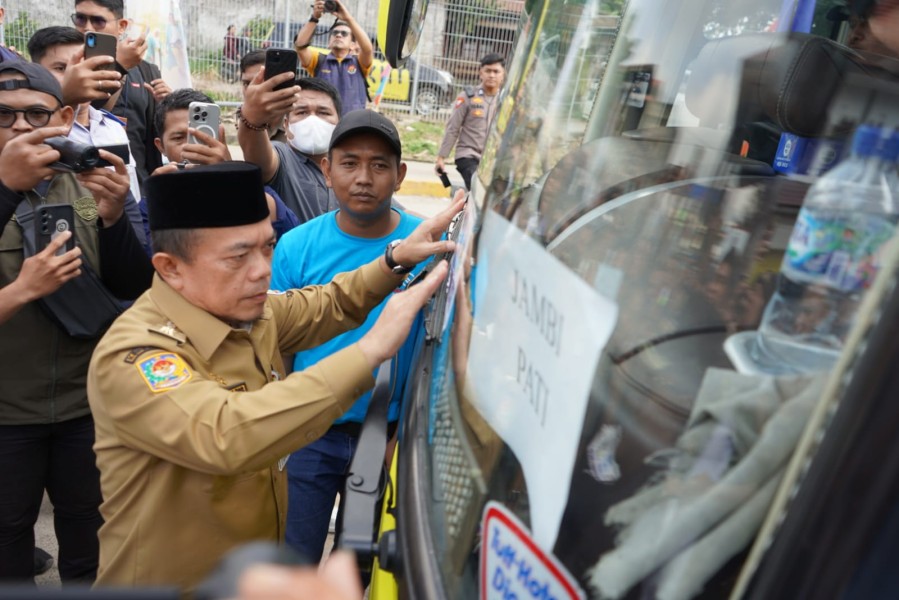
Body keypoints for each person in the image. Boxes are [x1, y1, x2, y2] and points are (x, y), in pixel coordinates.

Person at [86, 160, 461, 590]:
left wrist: (395, 259)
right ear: (171, 268)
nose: (262, 269)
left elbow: (330, 303)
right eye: (238, 256)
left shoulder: (249, 311)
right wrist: (370, 350)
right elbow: (225, 433)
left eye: (267, 248)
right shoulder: (137, 354)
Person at [0, 61, 152, 584]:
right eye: (3, 115)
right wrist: (22, 290)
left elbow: (133, 285)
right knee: (9, 540)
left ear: (64, 117)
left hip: (83, 404)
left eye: (36, 114)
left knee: (90, 537)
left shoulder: (86, 177)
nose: (20, 127)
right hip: (6, 411)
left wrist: (112, 218)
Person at [271, 109, 427, 562]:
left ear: (399, 175)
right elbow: (278, 342)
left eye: (379, 165)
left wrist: (409, 430)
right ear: (327, 169)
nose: (364, 178)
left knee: (358, 563)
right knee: (292, 558)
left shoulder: (426, 246)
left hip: (385, 436)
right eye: (349, 163)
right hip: (309, 433)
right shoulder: (297, 245)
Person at [28, 26, 143, 229]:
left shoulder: (114, 128)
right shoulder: (26, 129)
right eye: (61, 68)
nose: (78, 75)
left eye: (83, 66)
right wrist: (63, 99)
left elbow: (129, 201)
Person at [150, 88, 299, 244]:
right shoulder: (152, 202)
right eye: (179, 138)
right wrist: (158, 200)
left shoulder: (256, 193)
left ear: (220, 135)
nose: (192, 146)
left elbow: (293, 244)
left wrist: (230, 178)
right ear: (161, 146)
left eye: (203, 134)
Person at [71, 0, 172, 193]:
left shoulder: (146, 71)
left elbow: (156, 136)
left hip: (134, 187)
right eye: (80, 18)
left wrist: (166, 106)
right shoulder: (68, 68)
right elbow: (74, 107)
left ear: (122, 26)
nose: (87, 28)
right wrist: (120, 67)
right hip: (79, 186)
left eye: (98, 21)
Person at [239, 74, 341, 223]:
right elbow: (258, 153)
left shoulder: (348, 166)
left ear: (338, 122)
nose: (312, 120)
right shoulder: (281, 158)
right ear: (286, 125)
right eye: (302, 112)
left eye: (323, 112)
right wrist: (253, 118)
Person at [436, 53, 506, 190]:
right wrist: (441, 157)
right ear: (481, 73)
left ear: (503, 74)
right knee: (477, 187)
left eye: (496, 71)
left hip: (493, 160)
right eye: (488, 71)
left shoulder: (506, 101)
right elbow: (453, 128)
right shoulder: (467, 97)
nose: (492, 75)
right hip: (468, 156)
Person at [293, 0, 373, 115]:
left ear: (353, 45)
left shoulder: (359, 63)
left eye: (344, 34)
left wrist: (348, 18)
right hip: (324, 122)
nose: (338, 35)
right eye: (334, 33)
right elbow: (300, 46)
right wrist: (315, 17)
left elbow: (367, 49)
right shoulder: (318, 60)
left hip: (351, 124)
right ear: (328, 42)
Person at [239, 49, 288, 144]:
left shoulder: (297, 125)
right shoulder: (243, 120)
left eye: (260, 83)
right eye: (246, 83)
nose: (251, 90)